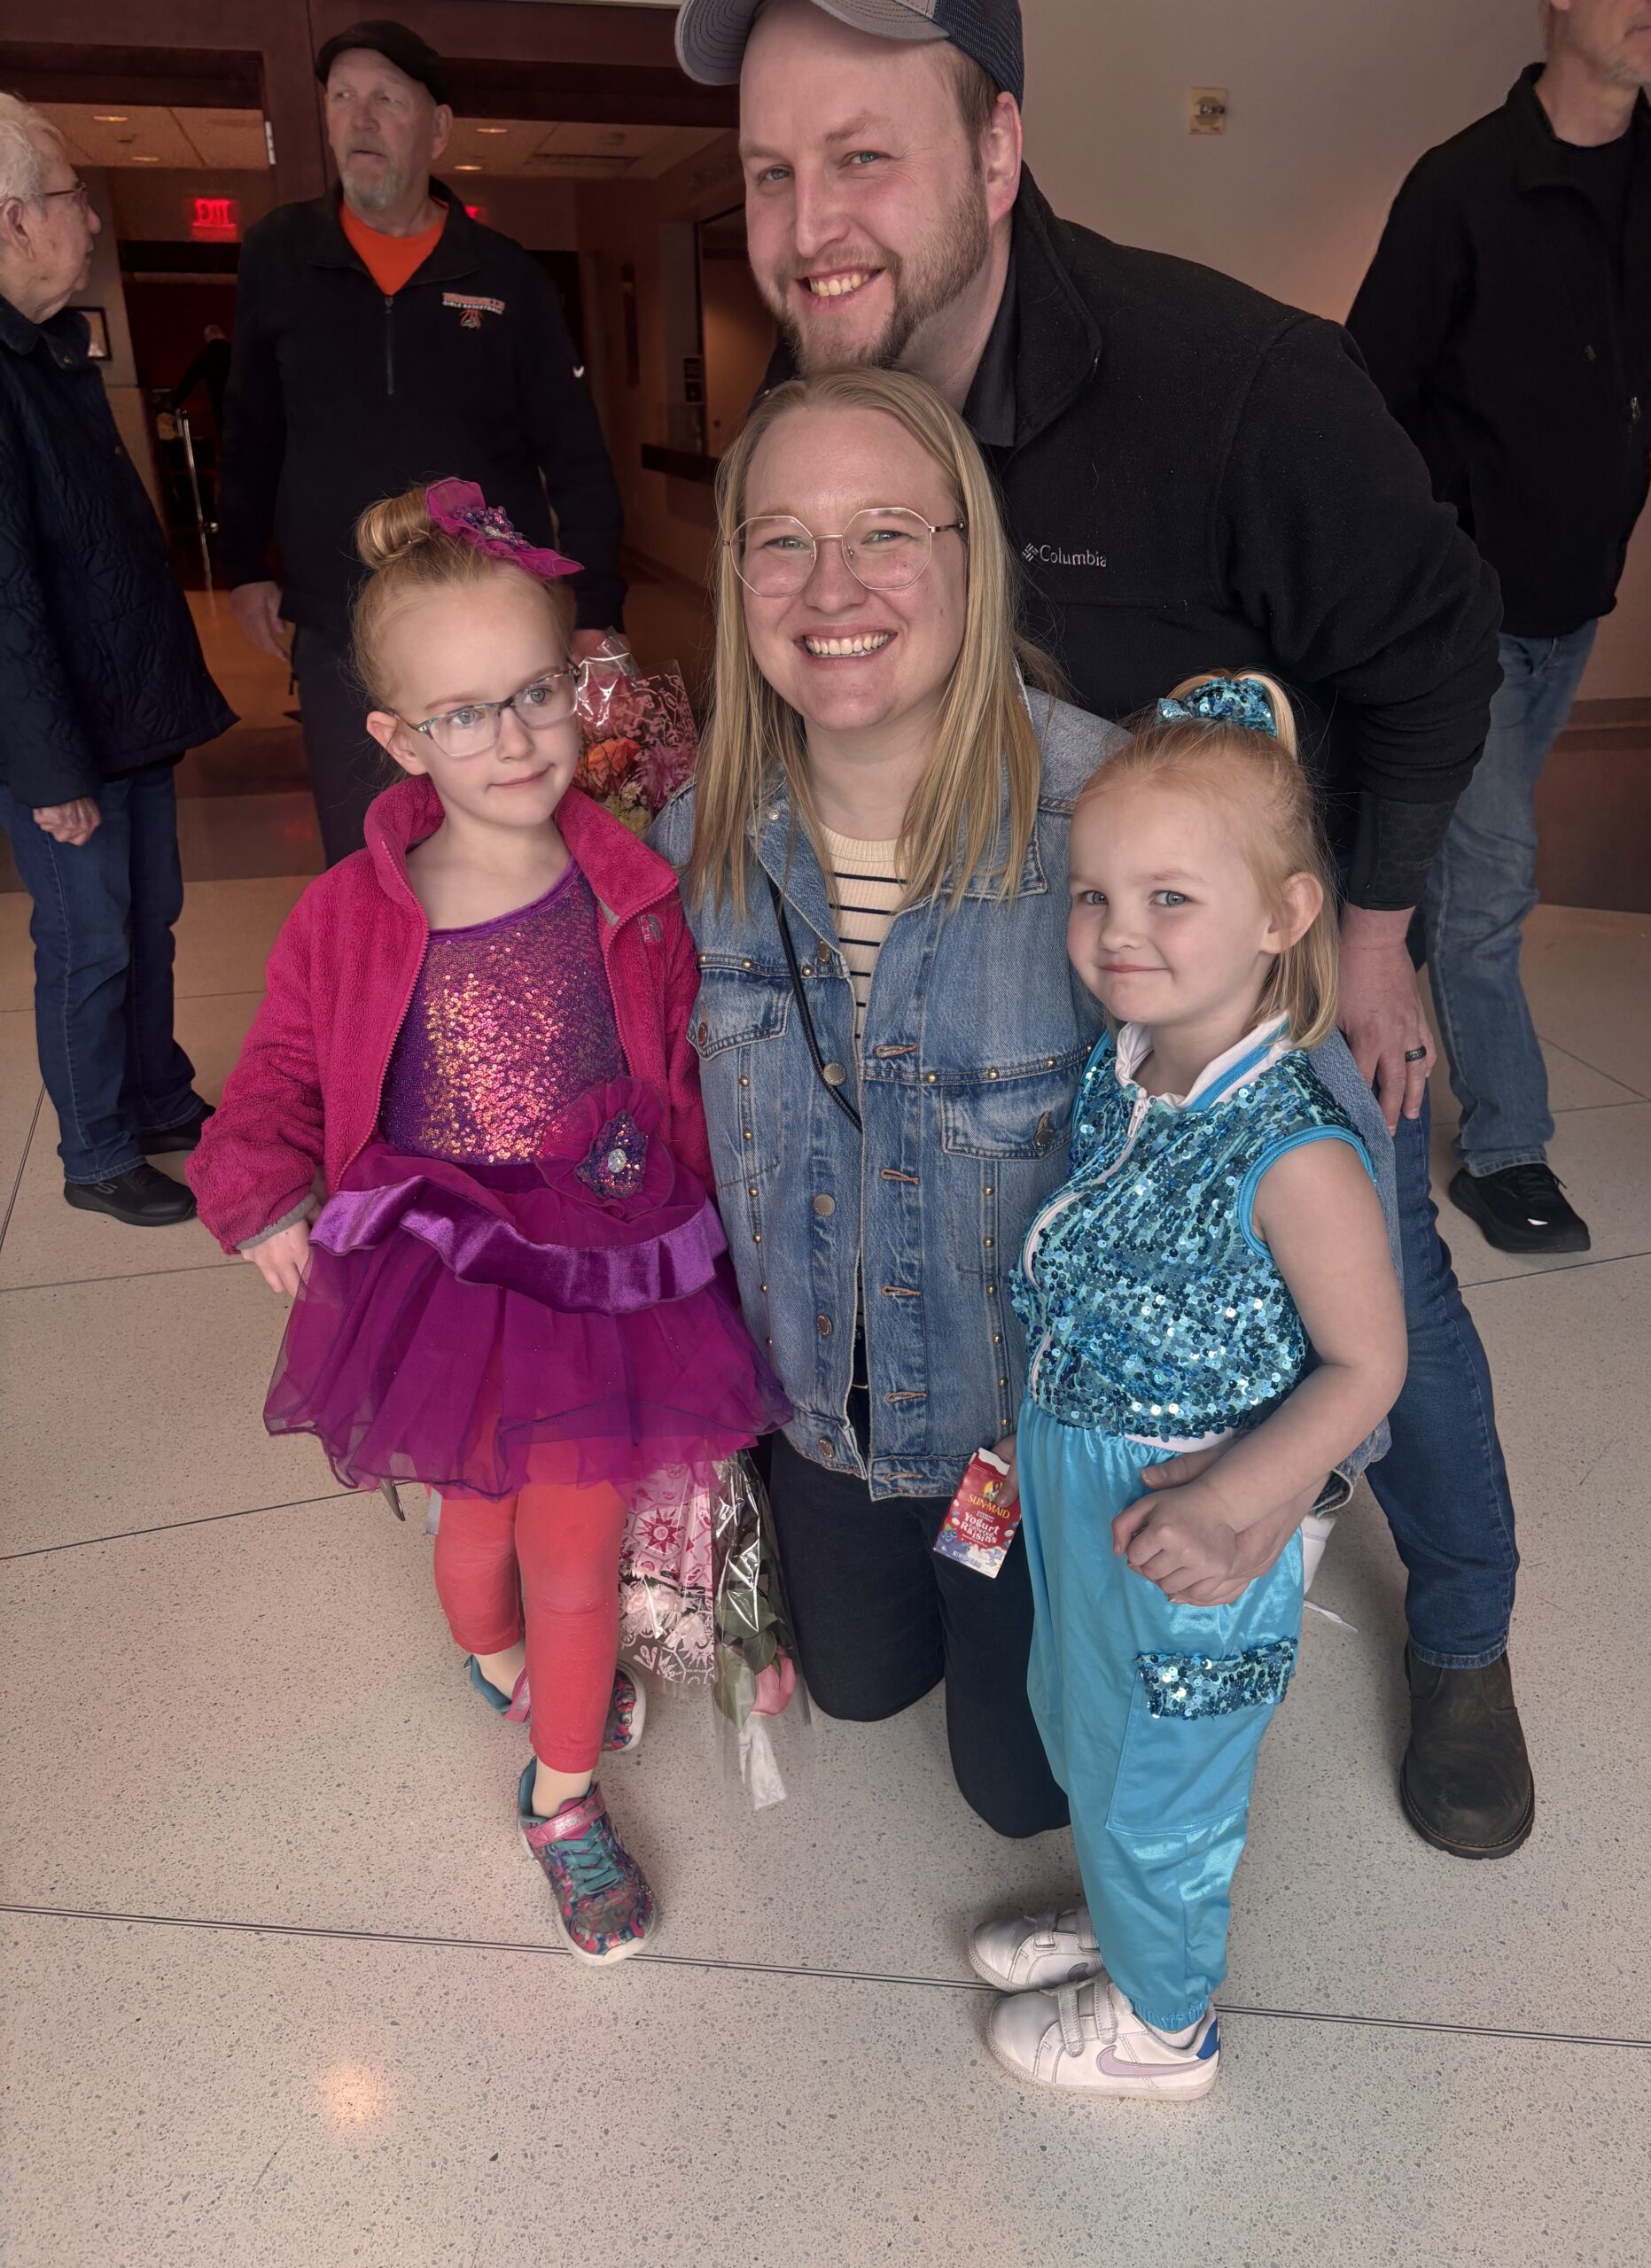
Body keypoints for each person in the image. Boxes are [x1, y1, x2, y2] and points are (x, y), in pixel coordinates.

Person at [676, 0, 1537, 1861]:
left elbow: (1436, 646)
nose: (807, 217)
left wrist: (1371, 939)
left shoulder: (1236, 382)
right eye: (769, 169)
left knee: (1369, 1266)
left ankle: (1464, 1630)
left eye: (862, 157)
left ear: (995, 154)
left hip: (1251, 970)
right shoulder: (823, 388)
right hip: (1014, 1026)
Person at [649, 369, 1398, 1837]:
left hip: (1033, 1440)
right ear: (736, 579)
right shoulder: (697, 845)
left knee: (1022, 1799)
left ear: (970, 561)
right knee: (860, 1689)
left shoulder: (1121, 830)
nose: (832, 585)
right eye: (782, 541)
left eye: (885, 533)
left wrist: (1279, 1481)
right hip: (823, 1420)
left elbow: (1319, 1161)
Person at [187, 480, 785, 1960]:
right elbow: (273, 1070)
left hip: (611, 1262)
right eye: (462, 714)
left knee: (573, 1546)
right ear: (396, 739)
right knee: (474, 1530)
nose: (511, 739)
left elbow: (704, 1055)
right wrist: (265, 1193)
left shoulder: (639, 884)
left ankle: (563, 1799)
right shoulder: (350, 911)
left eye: (530, 695)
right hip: (441, 1266)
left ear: (579, 684)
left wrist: (744, 1225)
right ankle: (494, 1654)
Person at [970, 672, 1406, 2097]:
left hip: (1192, 1521)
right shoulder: (1131, 1068)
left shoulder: (1299, 1147)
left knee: (1167, 1775)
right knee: (1087, 1726)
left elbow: (1368, 1362)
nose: (1115, 934)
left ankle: (1166, 2027)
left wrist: (1241, 1496)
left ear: (1284, 916)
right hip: (1076, 1472)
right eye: (1094, 897)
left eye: (1171, 900)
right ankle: (1123, 1915)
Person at [1348, 0, 1651, 1256]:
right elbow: (1364, 393)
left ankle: (1369, 997)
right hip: (1465, 610)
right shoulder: (1462, 188)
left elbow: (1626, 387)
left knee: (1453, 872)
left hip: (1575, 602)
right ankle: (1505, 1146)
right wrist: (1421, 566)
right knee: (1493, 887)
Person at [220, 19, 627, 865]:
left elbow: (575, 452)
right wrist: (244, 562)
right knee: (364, 854)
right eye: (342, 100)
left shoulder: (505, 276)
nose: (360, 119)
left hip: (491, 630)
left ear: (436, 130)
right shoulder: (279, 256)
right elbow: (253, 421)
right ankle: (385, 998)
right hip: (340, 618)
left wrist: (598, 612)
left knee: (504, 842)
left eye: (386, 101)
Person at [0, 93, 234, 1228]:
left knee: (150, 914)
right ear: (12, 221)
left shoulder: (45, 350)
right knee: (89, 940)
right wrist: (49, 772)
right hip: (64, 740)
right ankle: (95, 1150)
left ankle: (153, 1097)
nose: (88, 222)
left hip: (121, 709)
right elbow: (3, 598)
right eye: (72, 201)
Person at [169, 322, 231, 432]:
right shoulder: (235, 351)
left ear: (207, 337)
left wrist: (174, 401)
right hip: (244, 403)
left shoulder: (205, 356)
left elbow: (189, 380)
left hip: (220, 405)